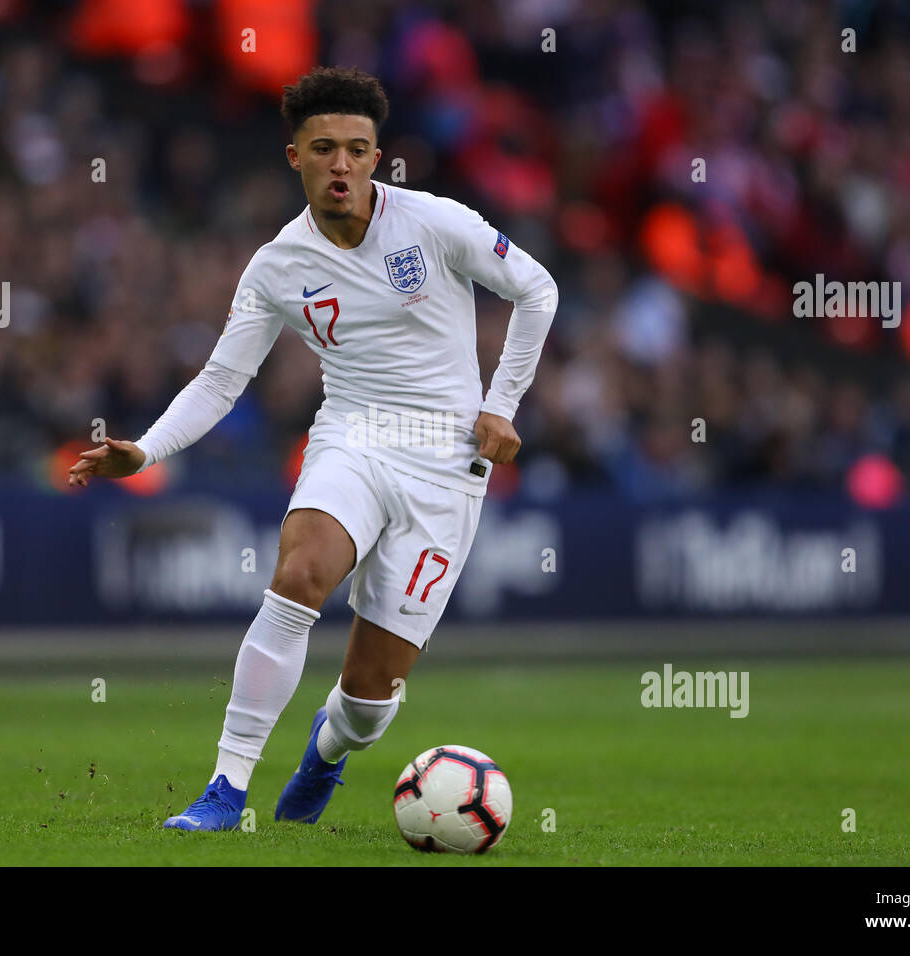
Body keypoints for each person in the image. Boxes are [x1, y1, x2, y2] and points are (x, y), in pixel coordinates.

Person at [68, 66, 558, 831]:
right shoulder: (276, 268)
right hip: (352, 437)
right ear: (293, 156)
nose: (341, 165)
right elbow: (222, 380)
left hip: (447, 463)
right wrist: (148, 451)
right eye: (323, 148)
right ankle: (226, 790)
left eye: (356, 149)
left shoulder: (433, 223)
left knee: (369, 701)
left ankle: (327, 751)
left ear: (375, 156)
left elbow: (538, 289)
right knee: (299, 574)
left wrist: (501, 404)